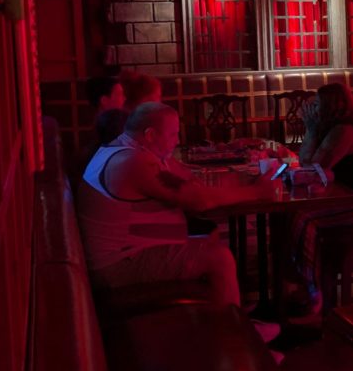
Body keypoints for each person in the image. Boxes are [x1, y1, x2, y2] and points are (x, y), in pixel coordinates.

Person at [76, 101, 275, 307]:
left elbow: (189, 181)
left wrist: (183, 173)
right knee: (220, 258)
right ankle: (232, 326)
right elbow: (199, 201)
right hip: (116, 268)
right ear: (151, 135)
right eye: (173, 134)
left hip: (122, 258)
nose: (178, 140)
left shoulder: (127, 149)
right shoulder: (132, 162)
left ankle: (217, 317)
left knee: (208, 241)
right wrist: (258, 191)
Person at [290, 83, 353, 313]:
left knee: (305, 219)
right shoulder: (333, 128)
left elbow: (314, 166)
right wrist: (312, 129)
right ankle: (303, 282)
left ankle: (314, 292)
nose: (313, 109)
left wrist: (310, 129)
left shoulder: (345, 131)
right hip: (352, 199)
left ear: (331, 107)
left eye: (317, 104)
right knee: (294, 216)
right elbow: (305, 162)